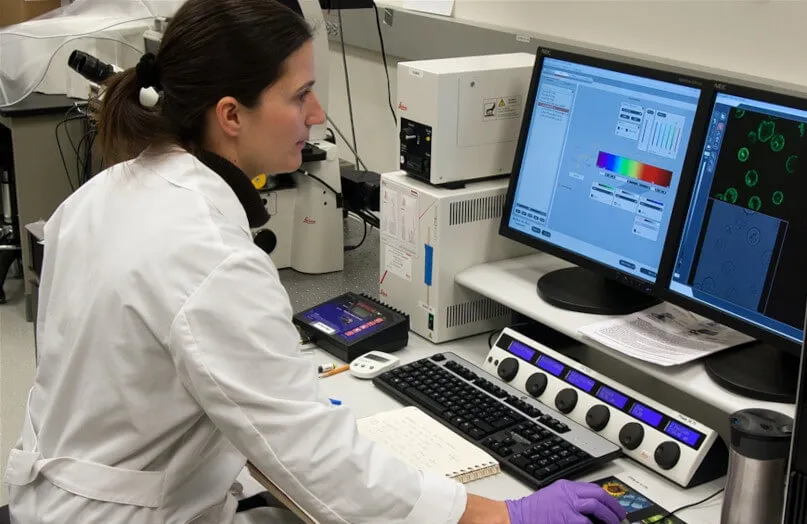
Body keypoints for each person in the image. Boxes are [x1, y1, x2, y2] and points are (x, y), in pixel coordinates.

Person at [1, 0, 628, 523]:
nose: (317, 115)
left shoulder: (99, 196)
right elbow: (314, 461)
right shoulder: (209, 256)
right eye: (300, 94)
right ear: (231, 116)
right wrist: (499, 515)